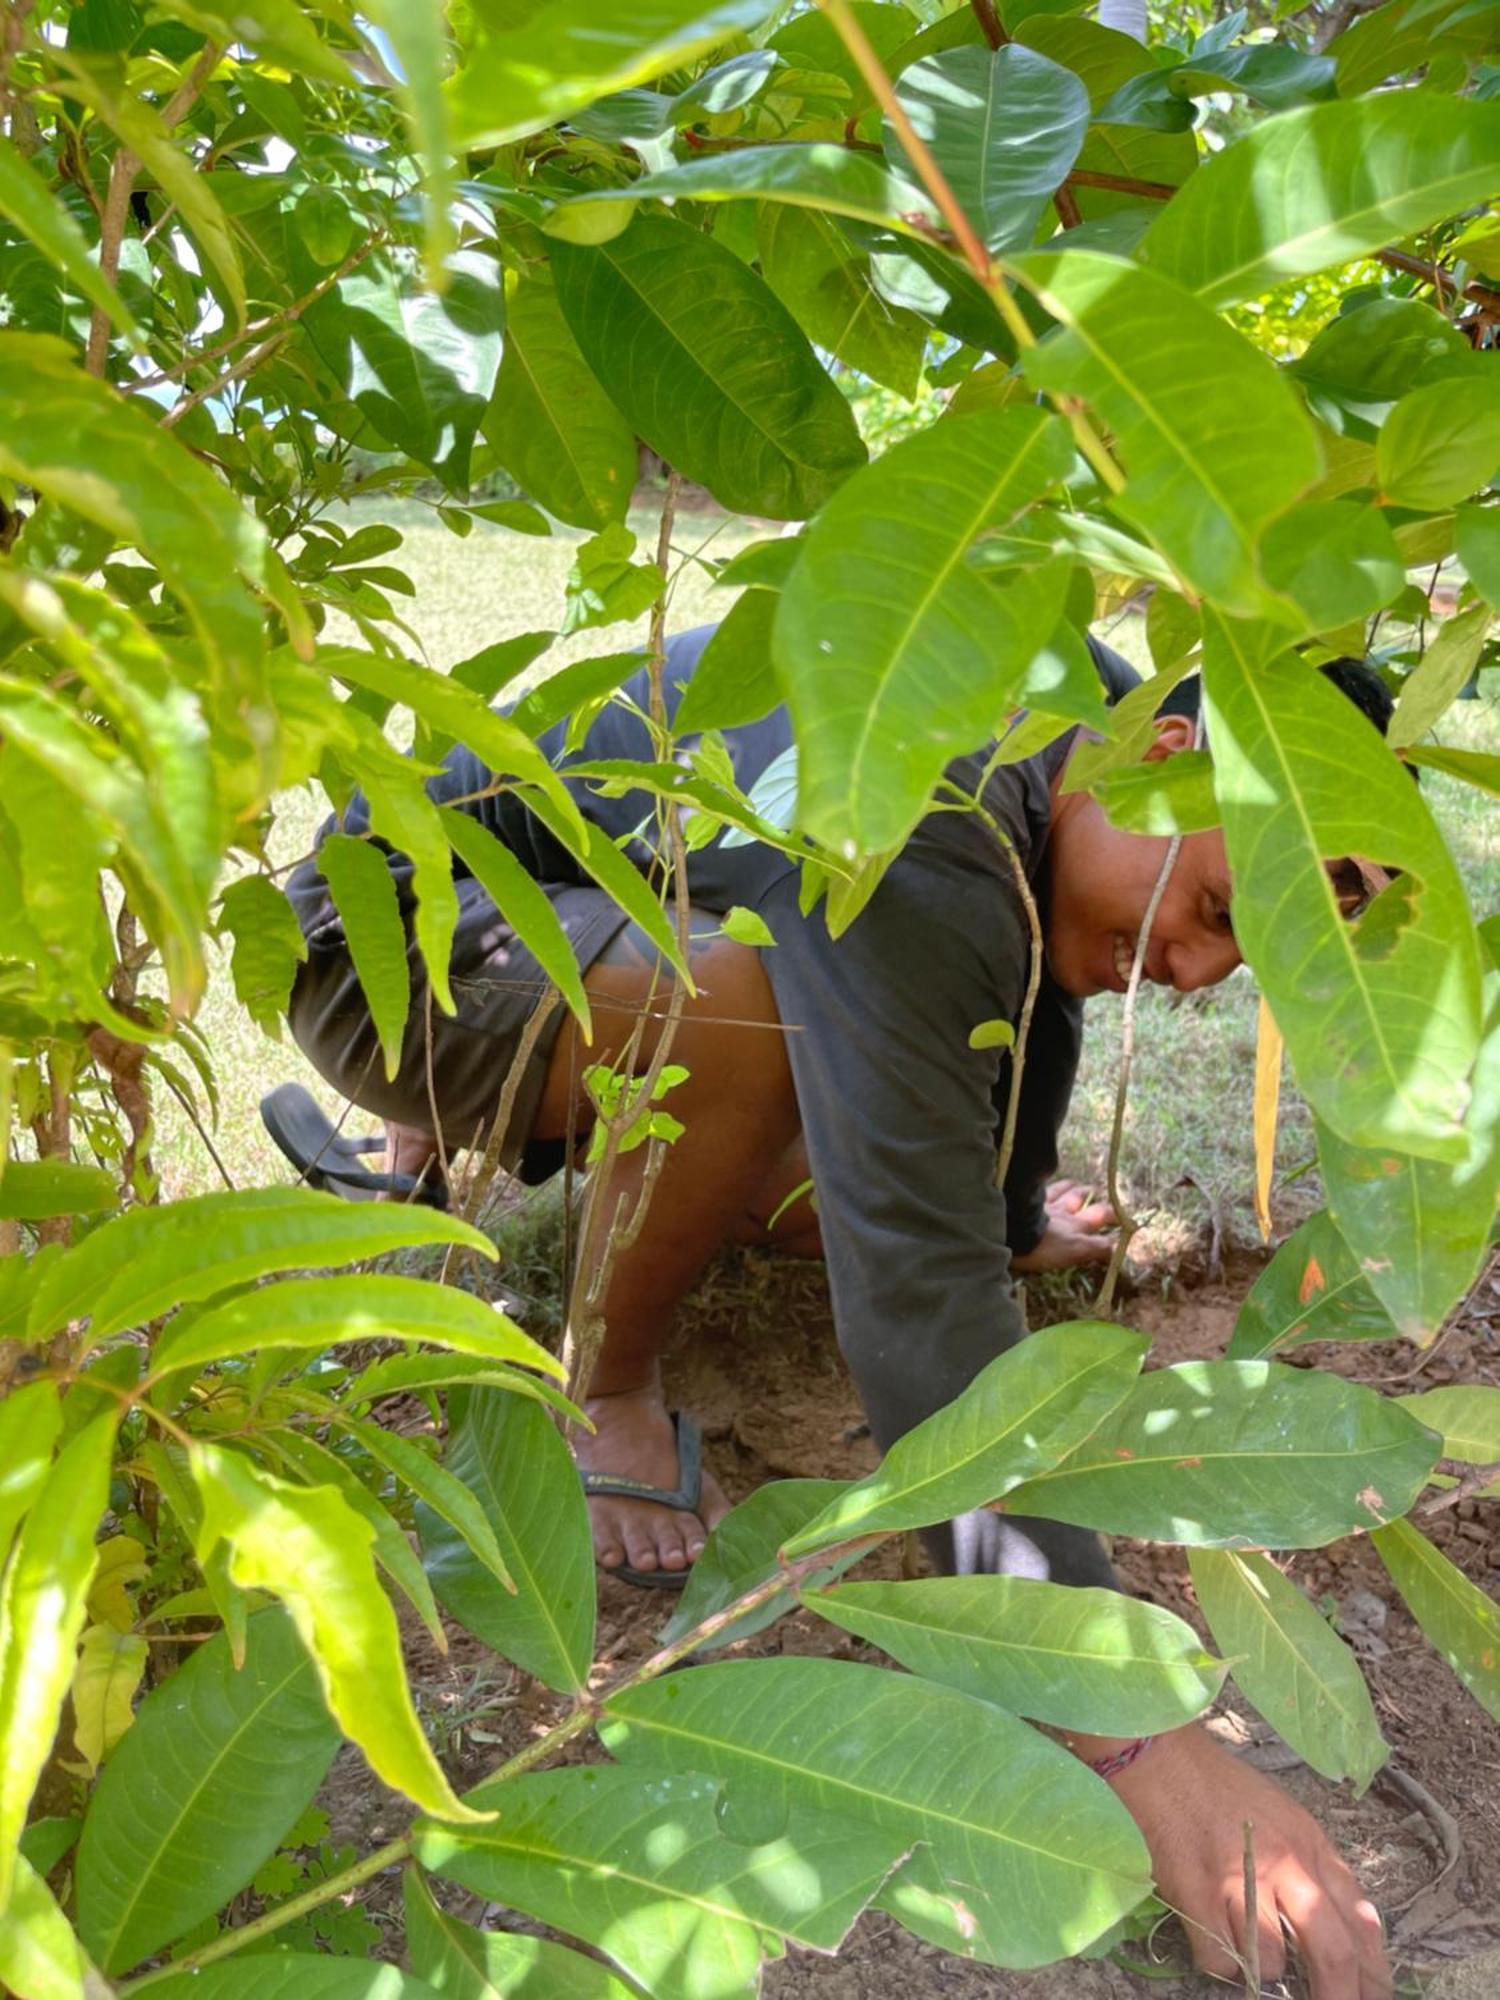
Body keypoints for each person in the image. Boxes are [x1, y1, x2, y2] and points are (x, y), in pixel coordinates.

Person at [280, 627, 1394, 2000]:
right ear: (1167, 763)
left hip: (575, 912)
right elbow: (920, 1305)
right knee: (734, 1016)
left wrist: (1003, 1217)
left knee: (823, 1069)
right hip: (383, 938)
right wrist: (1133, 1734)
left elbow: (1017, 980)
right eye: (1222, 911)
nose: (1196, 976)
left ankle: (502, 1135)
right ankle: (599, 1387)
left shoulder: (1072, 731)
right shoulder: (927, 790)